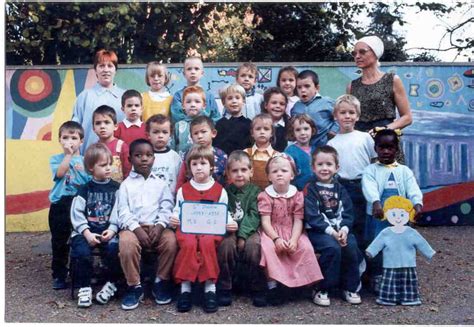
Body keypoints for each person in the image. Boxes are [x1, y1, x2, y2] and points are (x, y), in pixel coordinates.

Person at [169, 145, 238, 313]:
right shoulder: (183, 190)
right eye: (194, 164)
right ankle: (185, 289)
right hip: (188, 230)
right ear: (189, 168)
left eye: (203, 163)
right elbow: (178, 210)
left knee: (207, 243)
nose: (198, 167)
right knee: (189, 244)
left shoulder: (219, 190)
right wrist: (175, 218)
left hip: (210, 230)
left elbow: (223, 211)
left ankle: (210, 289)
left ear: (211, 167)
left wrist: (230, 223)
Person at [115, 139, 177, 310]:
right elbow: (123, 212)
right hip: (133, 228)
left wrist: (159, 226)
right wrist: (137, 229)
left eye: (149, 155)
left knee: (171, 241)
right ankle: (134, 285)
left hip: (157, 227)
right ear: (130, 159)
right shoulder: (125, 186)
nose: (144, 159)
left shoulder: (161, 183)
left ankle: (160, 281)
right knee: (126, 244)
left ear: (154, 159)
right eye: (138, 155)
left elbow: (167, 207)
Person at [362, 129, 423, 292]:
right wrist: (375, 202)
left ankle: (398, 275)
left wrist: (417, 203)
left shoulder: (404, 171)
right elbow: (369, 187)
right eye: (382, 148)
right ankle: (377, 275)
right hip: (378, 217)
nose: (386, 151)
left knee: (399, 246)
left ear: (397, 149)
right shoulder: (371, 170)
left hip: (399, 218)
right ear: (375, 149)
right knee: (377, 245)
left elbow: (413, 188)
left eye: (390, 148)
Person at [258, 153, 323, 305]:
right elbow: (265, 222)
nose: (279, 174)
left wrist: (294, 239)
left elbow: (298, 219)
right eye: (274, 171)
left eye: (284, 171)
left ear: (292, 175)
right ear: (269, 176)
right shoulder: (265, 195)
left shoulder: (297, 195)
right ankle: (273, 285)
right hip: (272, 231)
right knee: (268, 249)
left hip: (293, 229)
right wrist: (276, 239)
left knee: (305, 247)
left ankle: (302, 284)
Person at [304, 146, 363, 307]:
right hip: (319, 232)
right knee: (332, 248)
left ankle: (350, 287)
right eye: (320, 164)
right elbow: (313, 215)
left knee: (351, 246)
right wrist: (332, 233)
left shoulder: (341, 189)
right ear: (313, 167)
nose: (324, 168)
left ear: (337, 168)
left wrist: (343, 230)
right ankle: (322, 288)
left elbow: (348, 213)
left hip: (340, 231)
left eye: (329, 164)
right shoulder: (311, 189)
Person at [70, 143, 121, 308]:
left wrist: (112, 230)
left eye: (109, 164)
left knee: (115, 249)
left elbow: (119, 211)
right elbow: (76, 214)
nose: (108, 168)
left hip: (108, 231)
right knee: (82, 252)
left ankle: (111, 283)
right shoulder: (85, 189)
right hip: (85, 232)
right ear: (91, 168)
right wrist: (86, 233)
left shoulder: (117, 188)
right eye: (103, 165)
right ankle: (84, 287)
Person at [347, 35, 413, 163]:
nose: (357, 56)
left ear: (375, 53)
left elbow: (407, 118)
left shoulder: (392, 80)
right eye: (354, 53)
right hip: (362, 146)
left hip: (386, 144)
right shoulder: (352, 86)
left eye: (362, 52)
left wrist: (384, 129)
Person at [217, 151, 267, 307]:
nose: (239, 174)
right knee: (225, 246)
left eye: (244, 170)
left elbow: (254, 215)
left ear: (251, 171)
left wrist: (243, 236)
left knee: (254, 247)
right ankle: (225, 285)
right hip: (229, 229)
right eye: (234, 170)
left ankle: (257, 287)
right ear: (228, 173)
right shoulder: (224, 191)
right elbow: (221, 210)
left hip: (249, 231)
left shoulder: (256, 192)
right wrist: (230, 229)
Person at [327, 94, 377, 247]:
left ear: (357, 116)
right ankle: (354, 262)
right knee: (348, 222)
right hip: (342, 186)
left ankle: (370, 262)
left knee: (366, 223)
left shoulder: (365, 137)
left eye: (351, 112)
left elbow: (374, 160)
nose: (347, 116)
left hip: (363, 184)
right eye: (343, 113)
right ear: (336, 116)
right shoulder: (332, 143)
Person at [366, 196, 435, 306]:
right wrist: (371, 252)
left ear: (409, 215)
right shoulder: (386, 232)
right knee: (390, 282)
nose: (398, 218)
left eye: (402, 214)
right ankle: (388, 298)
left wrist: (429, 252)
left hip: (408, 263)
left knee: (408, 282)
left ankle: (409, 298)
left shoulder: (410, 232)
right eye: (393, 214)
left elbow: (421, 242)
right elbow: (377, 243)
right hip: (390, 264)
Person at [48, 121, 91, 289]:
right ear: (60, 140)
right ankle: (59, 274)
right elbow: (60, 173)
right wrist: (68, 156)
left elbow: (88, 182)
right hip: (60, 204)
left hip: (78, 203)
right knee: (59, 241)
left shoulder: (86, 161)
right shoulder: (57, 159)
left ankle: (78, 270)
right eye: (65, 137)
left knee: (79, 238)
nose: (70, 141)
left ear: (81, 141)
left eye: (74, 138)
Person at [72, 49, 125, 153]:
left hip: (118, 159)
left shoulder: (125, 97)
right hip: (88, 158)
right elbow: (74, 129)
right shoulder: (84, 96)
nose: (106, 70)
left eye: (110, 66)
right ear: (95, 70)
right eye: (101, 66)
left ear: (115, 70)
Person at [175, 115, 227, 189]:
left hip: (217, 197)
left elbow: (227, 181)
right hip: (192, 197)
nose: (200, 136)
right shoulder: (188, 155)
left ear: (213, 133)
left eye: (203, 132)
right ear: (191, 137)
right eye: (196, 133)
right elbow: (181, 180)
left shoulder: (222, 156)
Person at [291, 70, 339, 150]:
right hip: (304, 149)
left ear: (317, 88)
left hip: (325, 148)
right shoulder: (296, 107)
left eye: (307, 86)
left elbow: (339, 116)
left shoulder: (326, 102)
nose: (303, 90)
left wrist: (333, 130)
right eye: (299, 87)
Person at [170, 56, 221, 123]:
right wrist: (192, 123)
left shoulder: (209, 96)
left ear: (202, 73)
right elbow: (176, 116)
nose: (193, 72)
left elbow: (216, 117)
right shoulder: (178, 95)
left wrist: (206, 126)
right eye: (189, 69)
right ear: (184, 74)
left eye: (196, 69)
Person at [92, 105, 131, 182]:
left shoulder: (121, 146)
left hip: (119, 190)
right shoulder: (93, 149)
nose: (102, 126)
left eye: (107, 122)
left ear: (115, 126)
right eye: (98, 123)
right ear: (94, 129)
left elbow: (128, 172)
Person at [146, 114, 182, 195]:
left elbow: (180, 179)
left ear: (170, 135)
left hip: (170, 200)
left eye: (165, 132)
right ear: (148, 135)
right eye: (156, 132)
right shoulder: (144, 156)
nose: (160, 136)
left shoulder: (175, 157)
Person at [213, 83, 252, 155]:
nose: (234, 101)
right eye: (230, 98)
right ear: (223, 102)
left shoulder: (250, 124)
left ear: (243, 101)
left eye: (237, 98)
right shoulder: (219, 125)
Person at [244, 113, 278, 190]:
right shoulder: (245, 154)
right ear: (252, 133)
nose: (262, 132)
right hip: (249, 196)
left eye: (266, 129)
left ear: (272, 133)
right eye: (258, 129)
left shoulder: (277, 156)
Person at [284, 114, 317, 190]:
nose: (302, 133)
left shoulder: (316, 151)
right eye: (298, 130)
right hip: (297, 191)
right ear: (293, 133)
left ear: (312, 130)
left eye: (306, 129)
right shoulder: (290, 151)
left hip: (315, 191)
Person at [174, 85, 207, 159]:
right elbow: (172, 147)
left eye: (197, 101)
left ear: (204, 105)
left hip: (202, 163)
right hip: (182, 164)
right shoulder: (178, 125)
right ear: (183, 105)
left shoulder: (208, 124)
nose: (192, 105)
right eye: (188, 102)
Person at [261, 87, 289, 152]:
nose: (278, 106)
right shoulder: (259, 125)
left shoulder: (289, 126)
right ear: (265, 105)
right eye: (274, 103)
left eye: (282, 104)